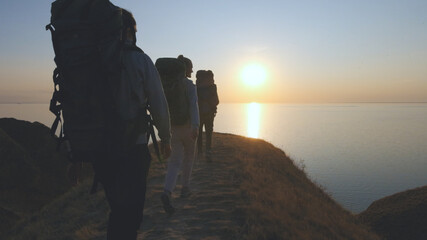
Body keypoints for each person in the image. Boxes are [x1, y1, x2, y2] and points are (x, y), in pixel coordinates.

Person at [69, 9, 171, 240]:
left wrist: (75, 156)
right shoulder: (140, 60)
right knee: (131, 214)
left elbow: (77, 108)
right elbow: (158, 102)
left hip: (100, 151)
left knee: (117, 209)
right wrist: (166, 138)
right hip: (133, 149)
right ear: (128, 31)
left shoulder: (88, 64)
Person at [161, 55, 199, 214]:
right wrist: (196, 125)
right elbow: (193, 105)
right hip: (188, 126)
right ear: (185, 69)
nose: (192, 70)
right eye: (190, 67)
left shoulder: (167, 85)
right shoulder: (189, 85)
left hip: (173, 127)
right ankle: (185, 188)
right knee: (189, 158)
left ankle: (167, 191)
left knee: (174, 161)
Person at [196, 70, 219, 156]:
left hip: (199, 114)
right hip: (209, 114)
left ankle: (199, 151)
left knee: (199, 132)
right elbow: (216, 101)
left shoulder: (196, 88)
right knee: (209, 132)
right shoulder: (212, 88)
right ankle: (208, 150)